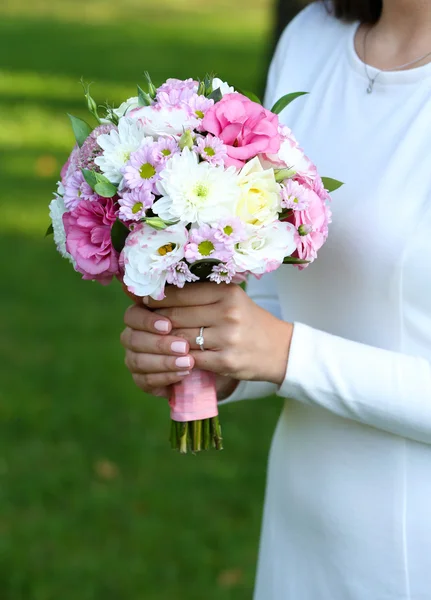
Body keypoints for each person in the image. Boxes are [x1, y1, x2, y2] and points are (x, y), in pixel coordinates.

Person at [120, 0, 431, 597]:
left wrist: (286, 355)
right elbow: (284, 290)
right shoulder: (312, 36)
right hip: (302, 534)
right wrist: (207, 352)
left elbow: (288, 347)